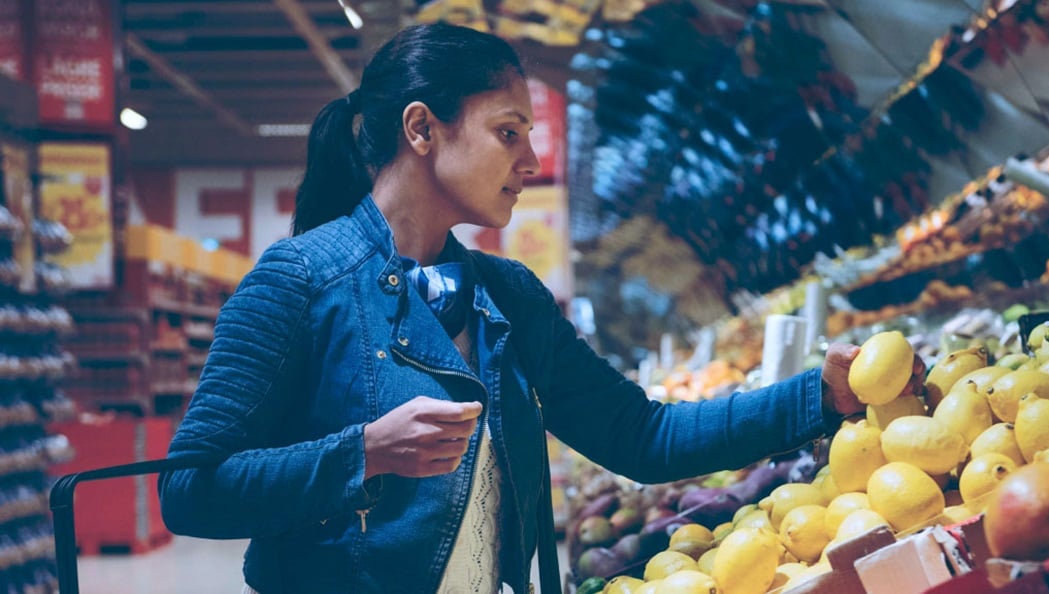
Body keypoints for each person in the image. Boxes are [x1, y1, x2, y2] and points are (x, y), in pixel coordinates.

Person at [157, 22, 925, 594]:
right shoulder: (297, 282)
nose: (530, 161)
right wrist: (362, 452)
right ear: (422, 129)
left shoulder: (507, 296)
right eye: (507, 133)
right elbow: (189, 489)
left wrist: (819, 398)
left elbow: (642, 435)